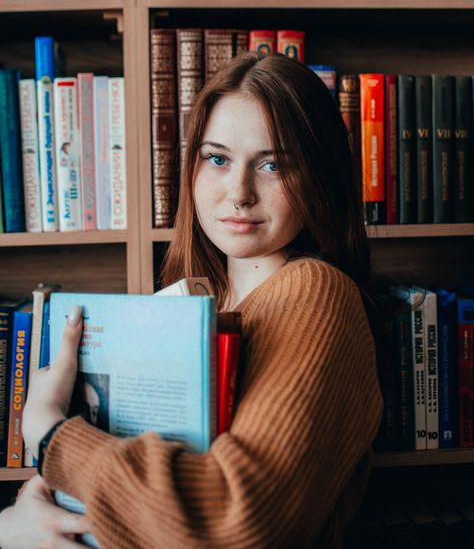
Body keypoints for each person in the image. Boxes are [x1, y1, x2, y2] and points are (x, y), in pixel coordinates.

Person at [0, 52, 382, 548]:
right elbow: (146, 486)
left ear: (318, 179)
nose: (238, 192)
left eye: (272, 164)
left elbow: (234, 520)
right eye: (217, 158)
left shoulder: (316, 291)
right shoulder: (201, 299)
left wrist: (51, 435)